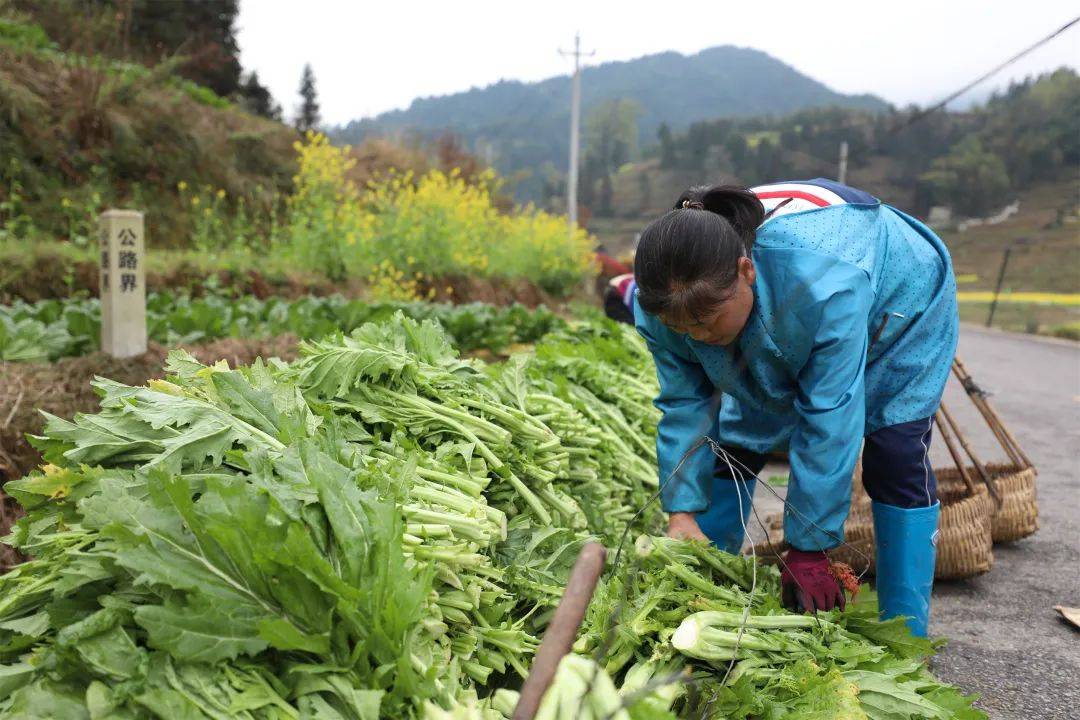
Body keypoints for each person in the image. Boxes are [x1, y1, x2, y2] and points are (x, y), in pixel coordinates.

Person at [632, 179, 958, 636]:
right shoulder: (660, 301)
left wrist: (809, 546)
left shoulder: (825, 286)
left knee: (894, 452)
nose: (697, 336)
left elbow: (829, 418)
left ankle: (904, 633)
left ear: (746, 271)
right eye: (679, 326)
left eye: (705, 321)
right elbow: (685, 406)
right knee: (737, 437)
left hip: (900, 300)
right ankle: (710, 582)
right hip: (778, 310)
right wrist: (680, 514)